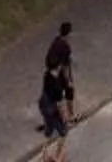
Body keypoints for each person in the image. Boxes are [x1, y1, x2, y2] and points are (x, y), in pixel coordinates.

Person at [37, 21, 75, 156]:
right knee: (63, 132)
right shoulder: (58, 86)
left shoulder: (46, 75)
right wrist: (65, 117)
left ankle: (44, 153)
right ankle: (58, 157)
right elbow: (59, 104)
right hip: (52, 107)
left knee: (48, 131)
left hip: (43, 103)